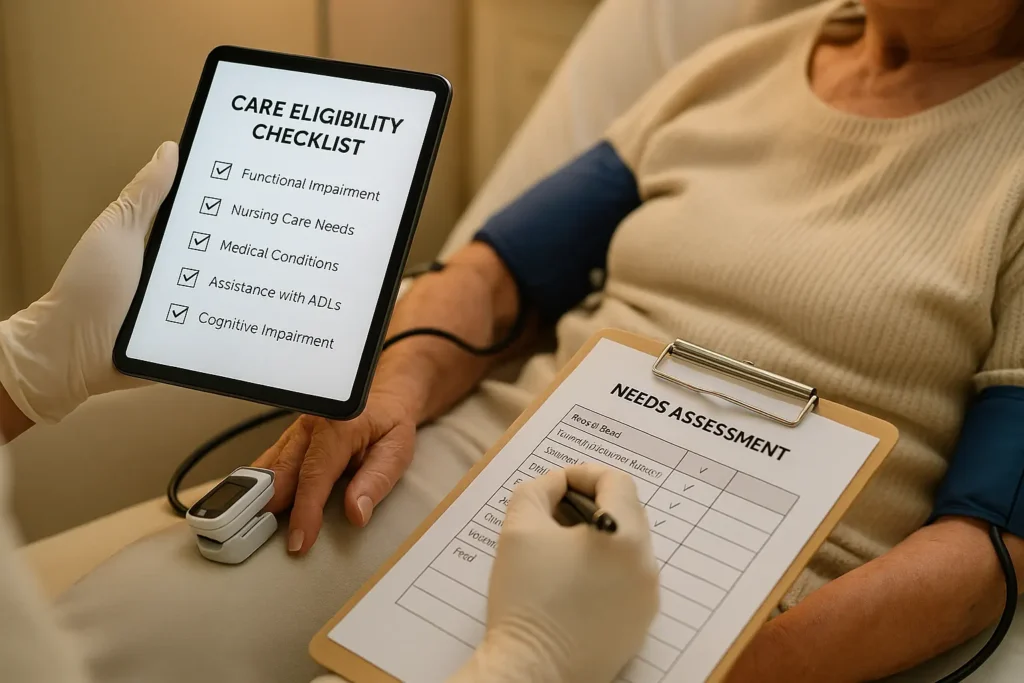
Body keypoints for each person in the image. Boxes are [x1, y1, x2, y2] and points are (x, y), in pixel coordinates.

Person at [246, 0, 1024, 681]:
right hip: (484, 465)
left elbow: (991, 542)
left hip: (738, 597)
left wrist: (728, 666)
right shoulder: (734, 67)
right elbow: (494, 276)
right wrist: (392, 386)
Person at [0, 144, 660, 682]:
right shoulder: (703, 86)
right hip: (507, 441)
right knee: (130, 626)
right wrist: (394, 387)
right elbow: (489, 275)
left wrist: (20, 373)